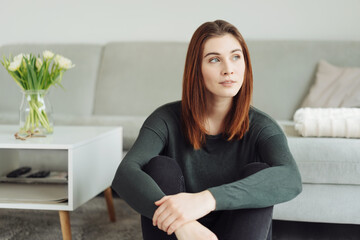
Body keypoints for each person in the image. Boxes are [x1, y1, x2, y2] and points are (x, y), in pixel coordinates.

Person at [112, 19, 302, 240]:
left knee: (260, 173)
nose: (228, 69)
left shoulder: (262, 126)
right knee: (159, 168)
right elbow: (125, 174)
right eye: (214, 60)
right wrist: (183, 225)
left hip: (241, 232)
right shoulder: (165, 119)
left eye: (236, 57)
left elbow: (291, 178)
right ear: (196, 69)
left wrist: (207, 199)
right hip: (184, 236)